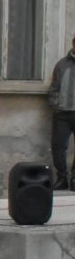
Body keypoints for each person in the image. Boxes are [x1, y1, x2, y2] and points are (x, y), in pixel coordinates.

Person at [49, 33, 75, 190]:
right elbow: (54, 88)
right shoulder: (61, 65)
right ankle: (62, 178)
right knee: (58, 146)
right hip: (62, 113)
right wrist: (55, 106)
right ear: (73, 43)